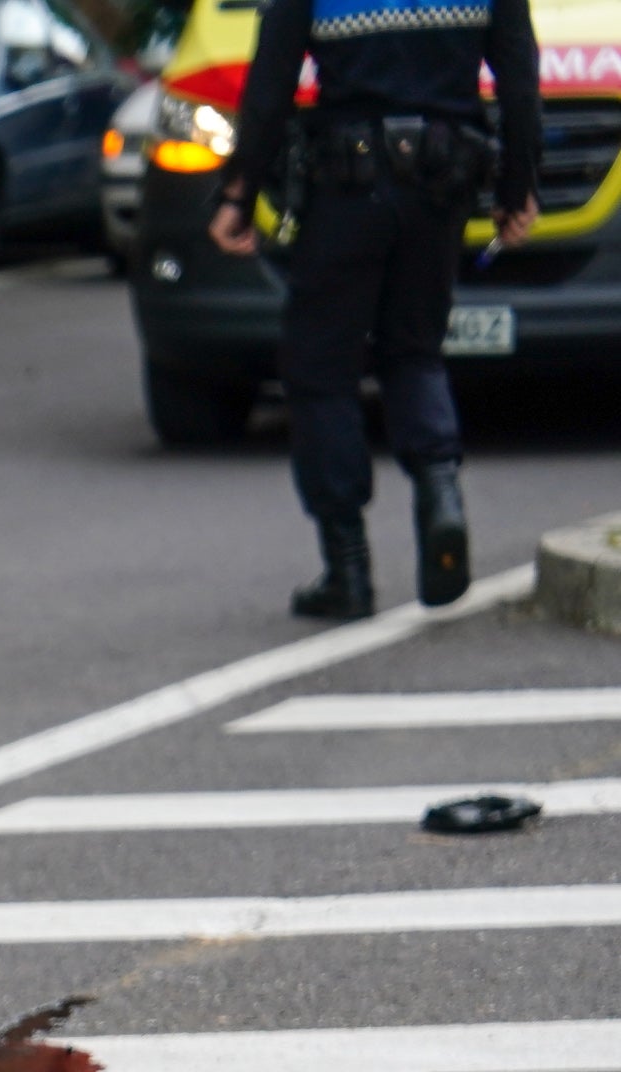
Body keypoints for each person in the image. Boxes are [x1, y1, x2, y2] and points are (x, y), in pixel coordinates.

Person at [211, 0, 540, 618]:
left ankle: (349, 569)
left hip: (348, 187)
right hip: (442, 183)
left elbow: (272, 80)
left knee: (320, 365)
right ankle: (441, 496)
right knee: (414, 350)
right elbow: (520, 74)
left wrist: (238, 190)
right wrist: (518, 185)